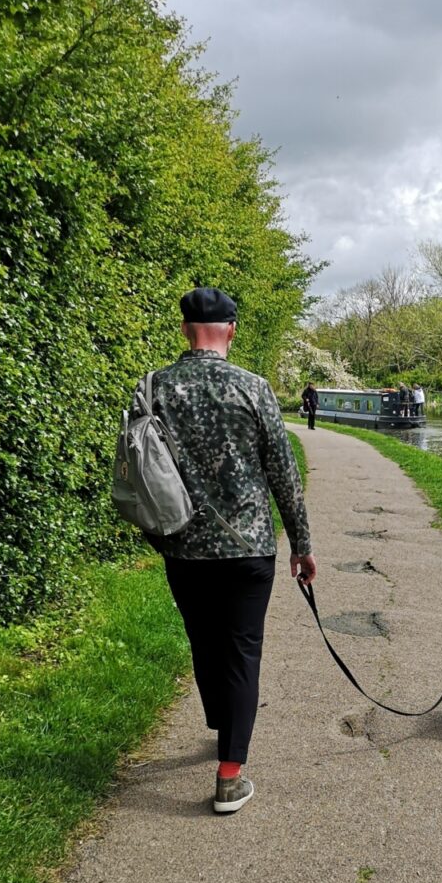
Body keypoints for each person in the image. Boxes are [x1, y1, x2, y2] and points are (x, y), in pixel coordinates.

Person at [136, 286, 317, 814]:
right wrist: (301, 546)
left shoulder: (152, 388)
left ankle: (223, 724)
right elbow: (284, 474)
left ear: (184, 330)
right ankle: (229, 774)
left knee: (204, 642)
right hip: (248, 549)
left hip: (183, 547)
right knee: (241, 651)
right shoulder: (254, 388)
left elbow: (140, 469)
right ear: (231, 330)